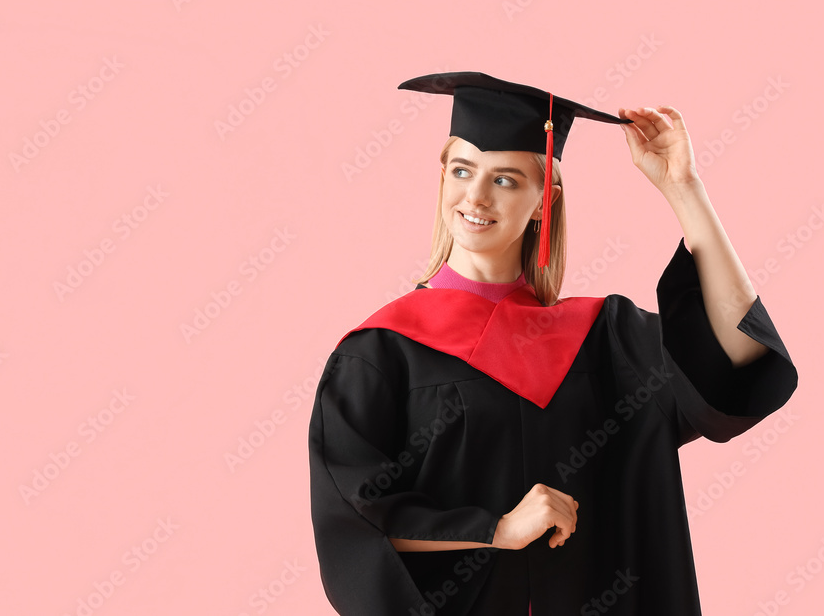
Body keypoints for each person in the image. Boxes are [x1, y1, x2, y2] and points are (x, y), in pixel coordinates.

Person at [307, 71, 799, 615]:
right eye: (462, 170)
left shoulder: (606, 341)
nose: (475, 196)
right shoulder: (380, 352)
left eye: (506, 180)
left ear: (546, 199)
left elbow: (739, 361)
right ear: (443, 177)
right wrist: (497, 528)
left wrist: (685, 190)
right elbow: (352, 517)